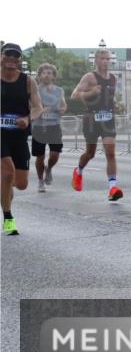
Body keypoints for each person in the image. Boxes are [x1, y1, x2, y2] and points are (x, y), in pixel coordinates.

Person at [70, 48, 124, 201]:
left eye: (108, 59)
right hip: (91, 119)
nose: (105, 61)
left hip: (108, 119)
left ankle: (112, 188)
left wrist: (115, 105)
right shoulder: (89, 77)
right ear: (96, 60)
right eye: (102, 58)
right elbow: (74, 96)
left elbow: (109, 97)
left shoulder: (113, 78)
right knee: (90, 153)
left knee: (111, 153)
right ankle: (79, 171)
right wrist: (91, 92)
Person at [1, 43, 43, 235]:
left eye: (15, 56)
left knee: (21, 184)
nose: (11, 59)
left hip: (18, 136)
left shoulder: (28, 82)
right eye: (7, 54)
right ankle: (8, 218)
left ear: (20, 60)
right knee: (7, 172)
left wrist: (27, 118)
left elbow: (37, 107)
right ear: (1, 56)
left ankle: (3, 192)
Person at [32, 63, 67, 192]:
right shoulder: (34, 90)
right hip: (39, 127)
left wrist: (57, 109)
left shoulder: (59, 90)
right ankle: (40, 181)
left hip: (54, 126)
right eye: (45, 72)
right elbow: (30, 107)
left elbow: (64, 107)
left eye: (50, 73)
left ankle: (49, 168)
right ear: (40, 75)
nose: (47, 75)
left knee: (55, 154)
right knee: (40, 156)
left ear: (54, 76)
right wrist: (40, 110)